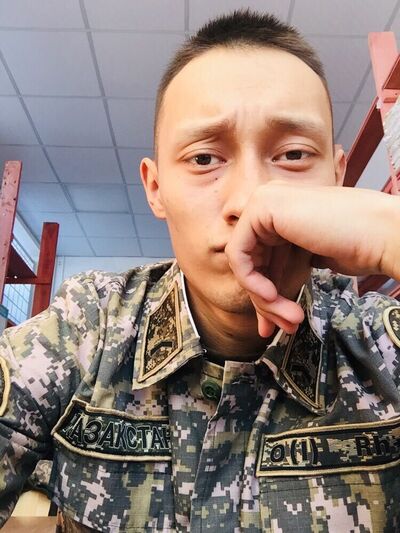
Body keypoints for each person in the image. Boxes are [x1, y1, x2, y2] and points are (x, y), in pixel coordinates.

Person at [1, 9, 400, 532]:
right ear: (156, 188)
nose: (250, 200)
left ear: (338, 176)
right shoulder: (86, 329)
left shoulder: (381, 346)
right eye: (204, 159)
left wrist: (392, 232)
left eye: (294, 154)